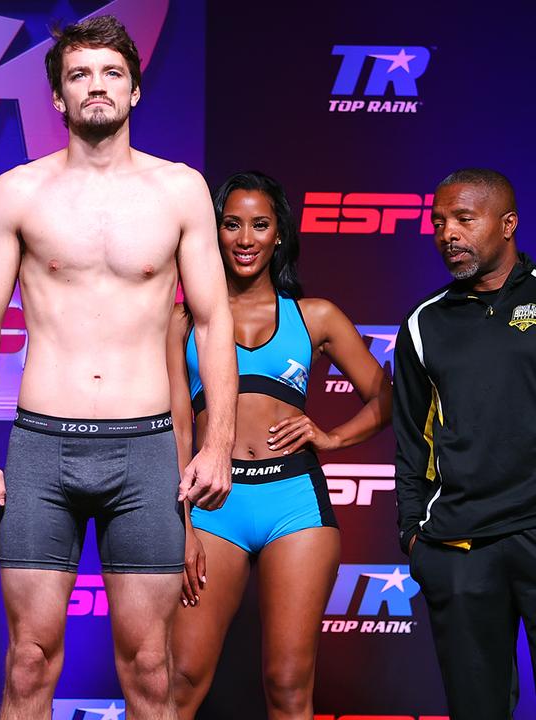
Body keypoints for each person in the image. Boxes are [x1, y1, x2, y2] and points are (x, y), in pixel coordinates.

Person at [0, 16, 237, 720]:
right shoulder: (19, 192)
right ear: (57, 97)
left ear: (135, 90)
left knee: (148, 665)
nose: (95, 87)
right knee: (27, 661)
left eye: (111, 73)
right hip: (41, 446)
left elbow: (211, 321)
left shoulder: (179, 190)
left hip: (142, 451)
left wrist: (217, 442)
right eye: (78, 75)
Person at [167, 171, 392, 719]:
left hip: (294, 502)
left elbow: (388, 397)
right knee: (181, 680)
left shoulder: (314, 317)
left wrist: (332, 435)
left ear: (279, 235)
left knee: (288, 684)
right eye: (232, 224)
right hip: (214, 507)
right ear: (212, 232)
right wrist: (185, 525)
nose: (245, 239)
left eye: (260, 225)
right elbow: (176, 426)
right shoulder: (181, 320)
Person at [395, 168, 535, 717]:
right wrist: (413, 532)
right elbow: (410, 438)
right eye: (438, 222)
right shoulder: (424, 323)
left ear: (508, 224)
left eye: (463, 219)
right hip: (460, 542)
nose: (447, 233)